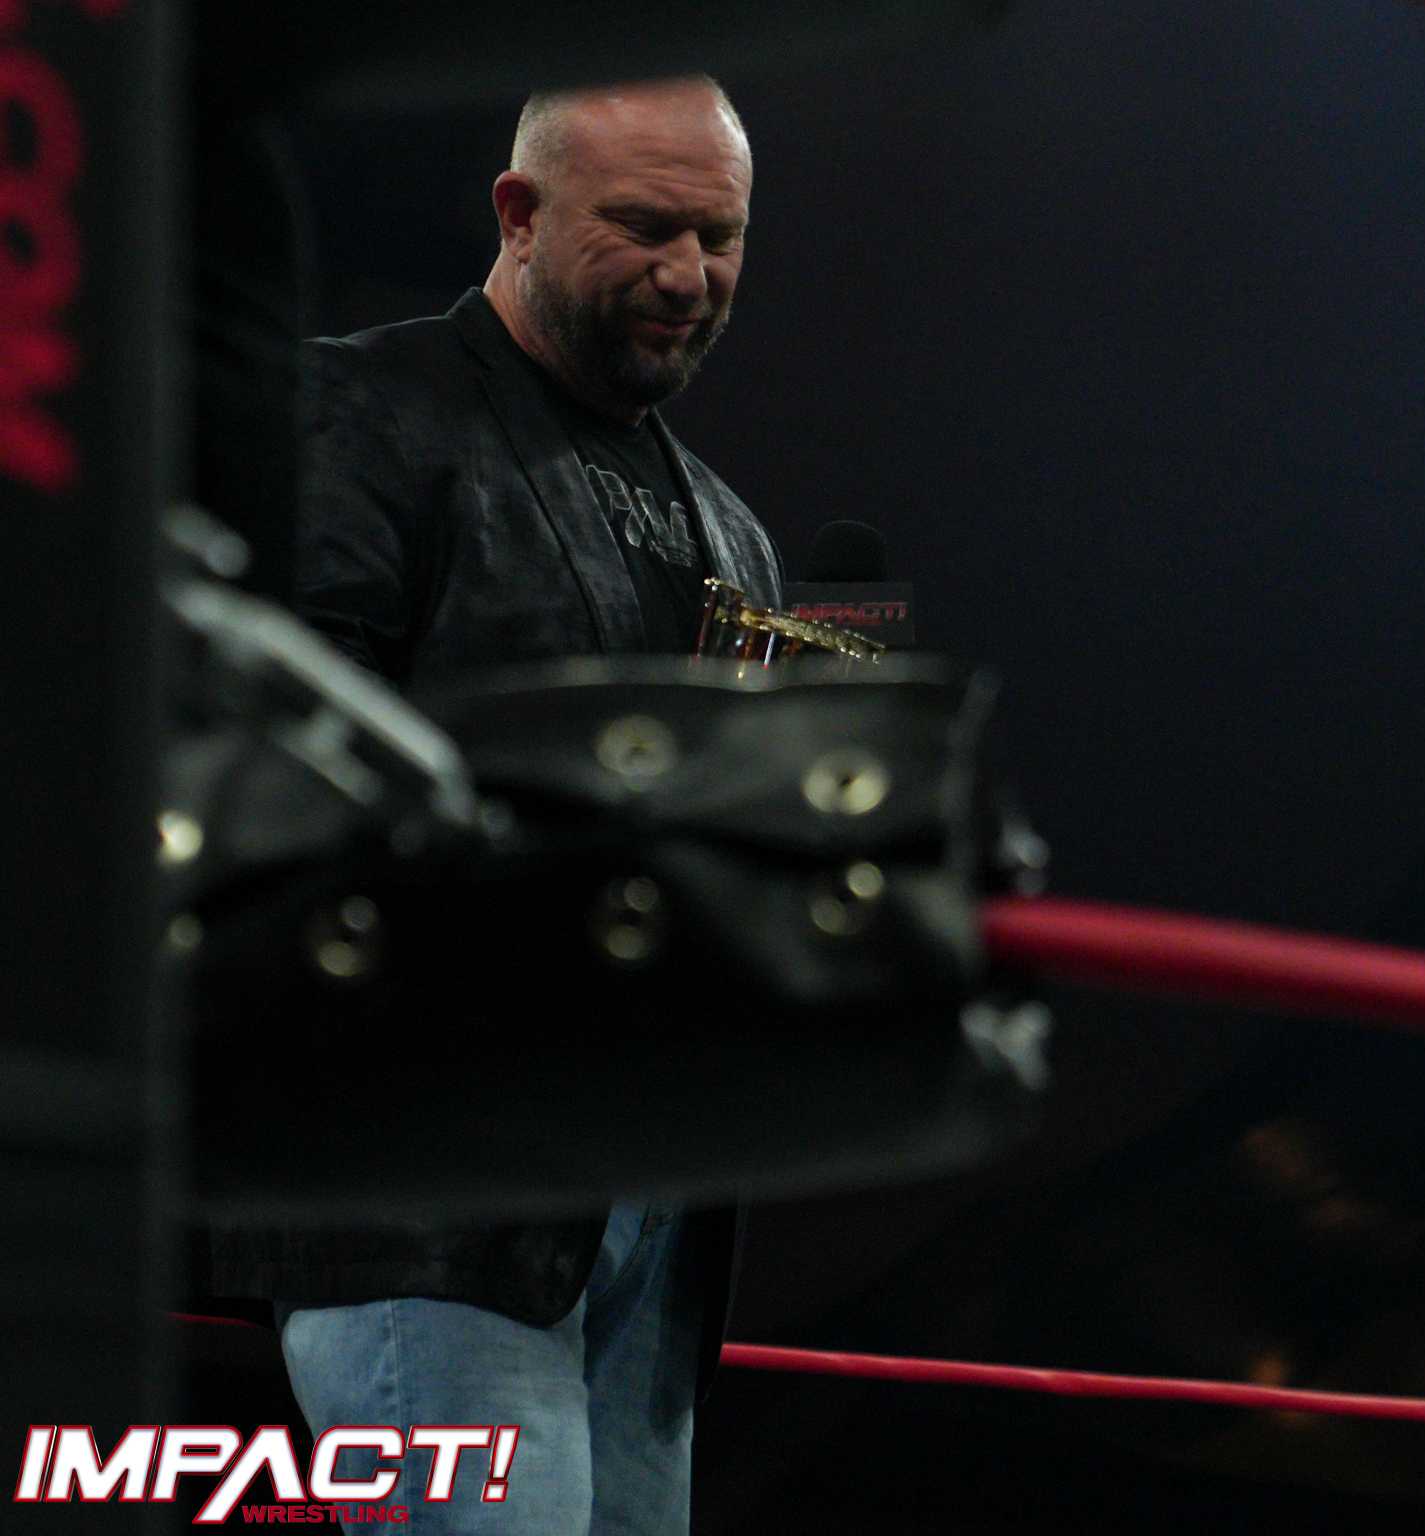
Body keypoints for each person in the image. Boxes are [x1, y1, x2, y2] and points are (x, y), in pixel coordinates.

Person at [201, 77, 779, 1532]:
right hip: (429, 1183)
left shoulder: (735, 532)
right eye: (644, 227)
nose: (687, 276)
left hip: (656, 1209)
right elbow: (279, 754)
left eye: (718, 238)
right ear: (518, 214)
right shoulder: (364, 411)